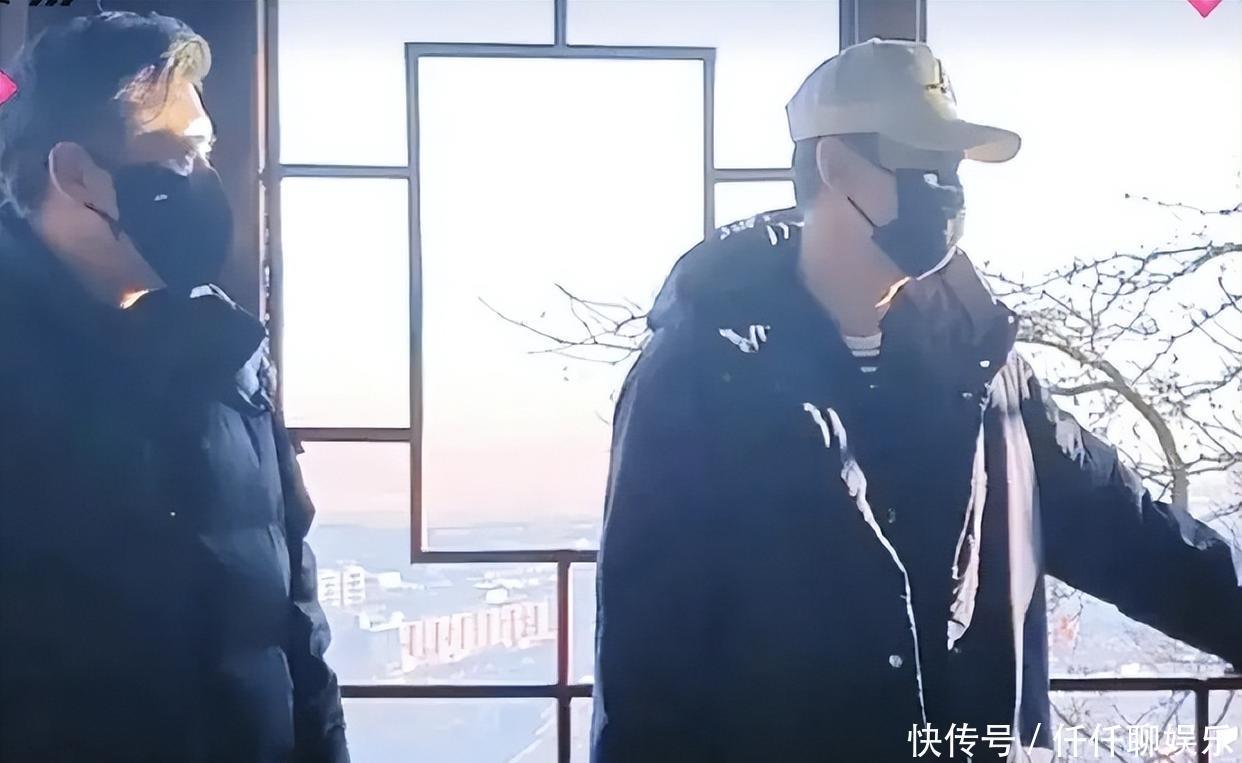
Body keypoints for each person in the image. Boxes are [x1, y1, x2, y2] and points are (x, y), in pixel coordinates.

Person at [591, 38, 1242, 763]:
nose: (948, 191)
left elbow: (1131, 534)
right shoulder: (700, 376)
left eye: (954, 167)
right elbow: (647, 662)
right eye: (922, 161)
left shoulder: (985, 370)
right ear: (836, 165)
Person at [0, 12, 349, 762]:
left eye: (206, 153)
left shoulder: (228, 354)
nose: (207, 182)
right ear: (75, 174)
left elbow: (292, 620)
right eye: (180, 154)